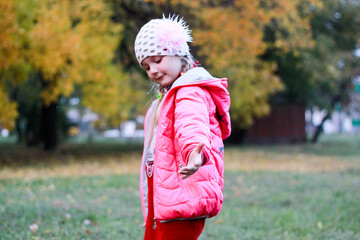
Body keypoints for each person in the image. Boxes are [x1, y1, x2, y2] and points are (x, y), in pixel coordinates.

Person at [135, 15, 231, 240]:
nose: (153, 71)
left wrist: (194, 153)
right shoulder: (168, 94)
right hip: (167, 192)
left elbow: (192, 125)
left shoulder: (189, 92)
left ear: (178, 52)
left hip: (182, 192)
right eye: (146, 66)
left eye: (158, 59)